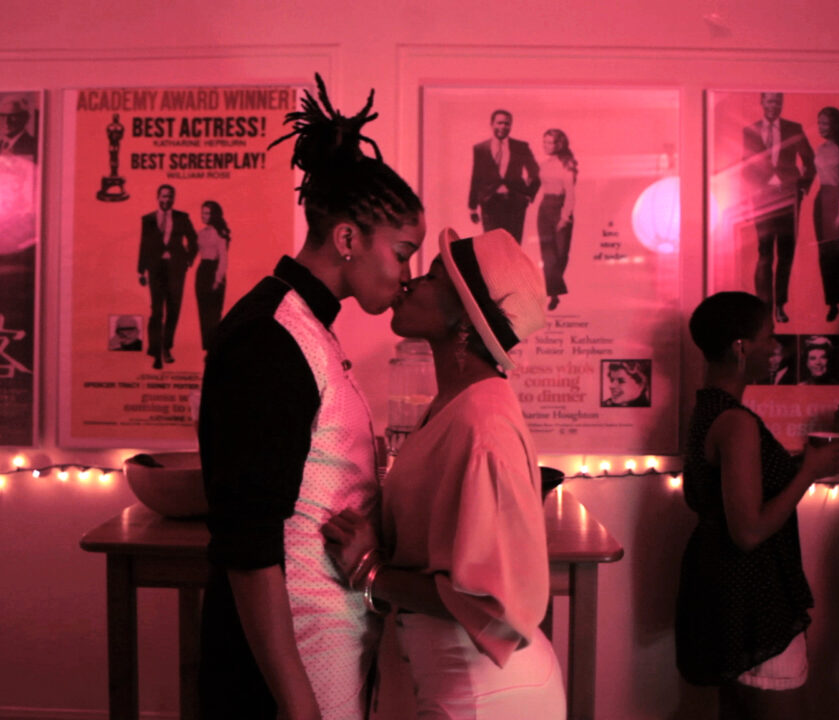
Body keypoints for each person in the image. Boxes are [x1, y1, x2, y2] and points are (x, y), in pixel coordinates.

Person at [197, 74, 425, 720]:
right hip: (283, 671)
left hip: (322, 646)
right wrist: (296, 703)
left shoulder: (305, 327)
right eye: (402, 253)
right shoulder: (269, 337)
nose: (407, 275)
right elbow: (248, 542)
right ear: (347, 240)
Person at [322, 227, 565, 718]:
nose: (409, 283)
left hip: (482, 692)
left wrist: (369, 570)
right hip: (449, 678)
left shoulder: (483, 424)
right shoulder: (457, 403)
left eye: (432, 277)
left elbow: (495, 605)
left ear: (466, 317)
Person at [675, 291, 839, 719]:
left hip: (723, 590)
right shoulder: (736, 423)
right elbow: (748, 531)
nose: (774, 346)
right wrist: (809, 472)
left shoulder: (708, 409)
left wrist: (802, 464)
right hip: (753, 596)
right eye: (768, 336)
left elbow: (739, 489)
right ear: (741, 347)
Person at [742, 92, 815, 323]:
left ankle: (780, 306)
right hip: (762, 199)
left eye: (778, 102)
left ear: (782, 104)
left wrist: (802, 187)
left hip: (788, 198)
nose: (774, 105)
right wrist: (751, 194)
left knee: (786, 254)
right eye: (770, 101)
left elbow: (810, 160)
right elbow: (746, 165)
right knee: (764, 253)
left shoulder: (794, 128)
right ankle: (763, 309)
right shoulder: (750, 130)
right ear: (762, 102)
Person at [137, 184, 197, 369]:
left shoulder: (182, 217)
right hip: (156, 270)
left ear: (174, 198)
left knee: (173, 310)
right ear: (158, 197)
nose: (166, 200)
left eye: (170, 196)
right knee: (156, 311)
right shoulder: (148, 219)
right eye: (163, 196)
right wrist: (141, 270)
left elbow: (193, 240)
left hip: (175, 270)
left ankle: (166, 348)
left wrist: (188, 260)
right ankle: (155, 352)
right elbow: (144, 244)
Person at [468, 109, 540, 244]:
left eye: (507, 124)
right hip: (489, 203)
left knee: (513, 245)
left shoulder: (521, 147)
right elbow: (476, 177)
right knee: (492, 245)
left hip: (515, 203)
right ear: (492, 124)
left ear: (511, 125)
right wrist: (472, 207)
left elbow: (536, 173)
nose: (503, 127)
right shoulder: (480, 148)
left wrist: (528, 195)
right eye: (499, 123)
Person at [813, 107, 839, 322]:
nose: (821, 127)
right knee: (824, 254)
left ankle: (838, 298)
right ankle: (832, 303)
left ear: (835, 125)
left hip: (838, 200)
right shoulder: (820, 149)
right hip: (821, 200)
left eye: (825, 123)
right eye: (819, 123)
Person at [536, 128, 577, 310]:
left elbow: (570, 193)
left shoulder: (567, 165)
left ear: (559, 144)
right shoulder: (542, 165)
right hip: (544, 208)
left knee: (561, 253)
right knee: (548, 254)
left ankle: (553, 289)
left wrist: (565, 216)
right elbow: (535, 186)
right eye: (545, 142)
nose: (547, 146)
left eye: (551, 142)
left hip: (560, 207)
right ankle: (553, 294)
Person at [195, 200, 230, 352]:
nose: (205, 216)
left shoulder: (221, 233)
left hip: (215, 271)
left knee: (214, 313)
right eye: (203, 213)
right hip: (202, 272)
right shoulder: (200, 233)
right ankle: (207, 348)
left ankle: (215, 348)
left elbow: (223, 258)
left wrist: (218, 279)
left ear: (214, 215)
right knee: (203, 311)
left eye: (208, 213)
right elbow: (192, 253)